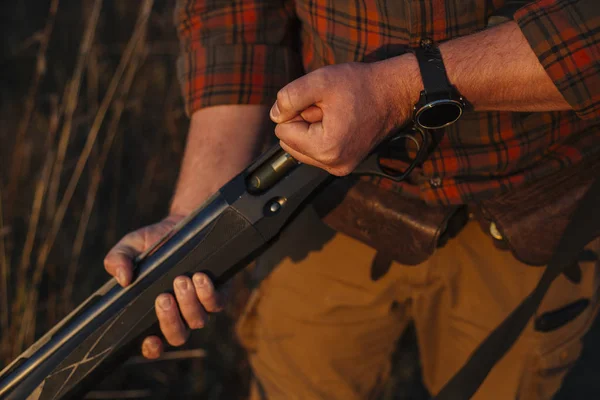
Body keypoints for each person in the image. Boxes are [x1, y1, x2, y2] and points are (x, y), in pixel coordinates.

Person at [103, 0, 600, 398]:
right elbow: (234, 18)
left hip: (529, 203)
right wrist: (194, 223)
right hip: (327, 195)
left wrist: (402, 89)